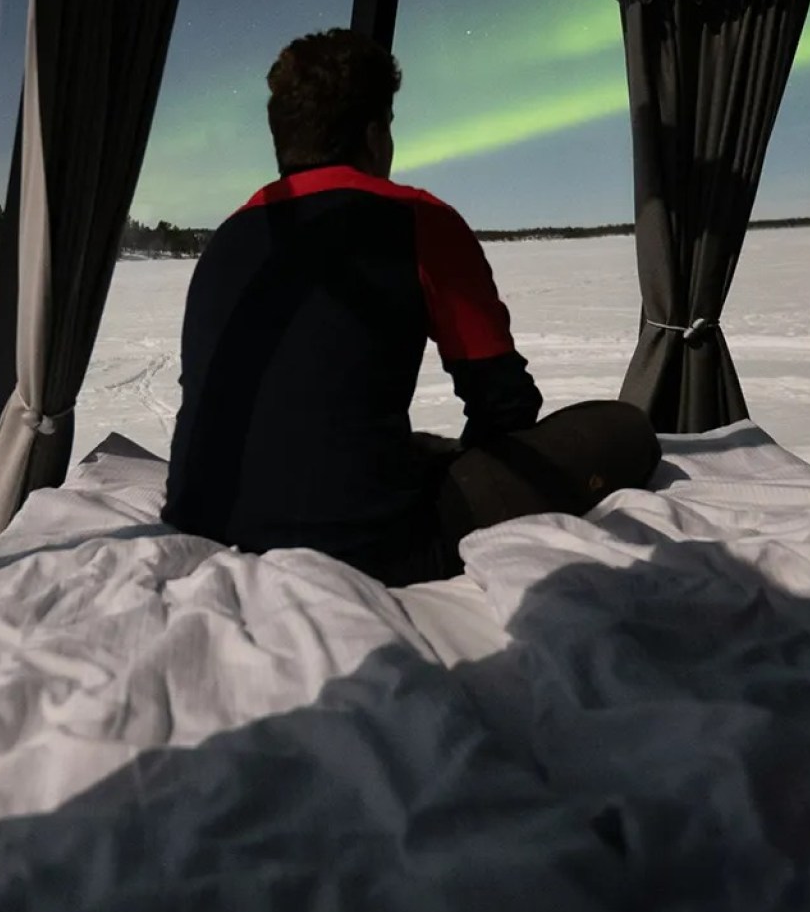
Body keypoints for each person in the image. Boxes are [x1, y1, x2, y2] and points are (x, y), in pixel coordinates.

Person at [164, 29, 660, 585]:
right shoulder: (417, 220)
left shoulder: (230, 237)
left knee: (414, 447)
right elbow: (504, 404)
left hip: (203, 521)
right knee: (624, 430)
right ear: (376, 136)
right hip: (371, 546)